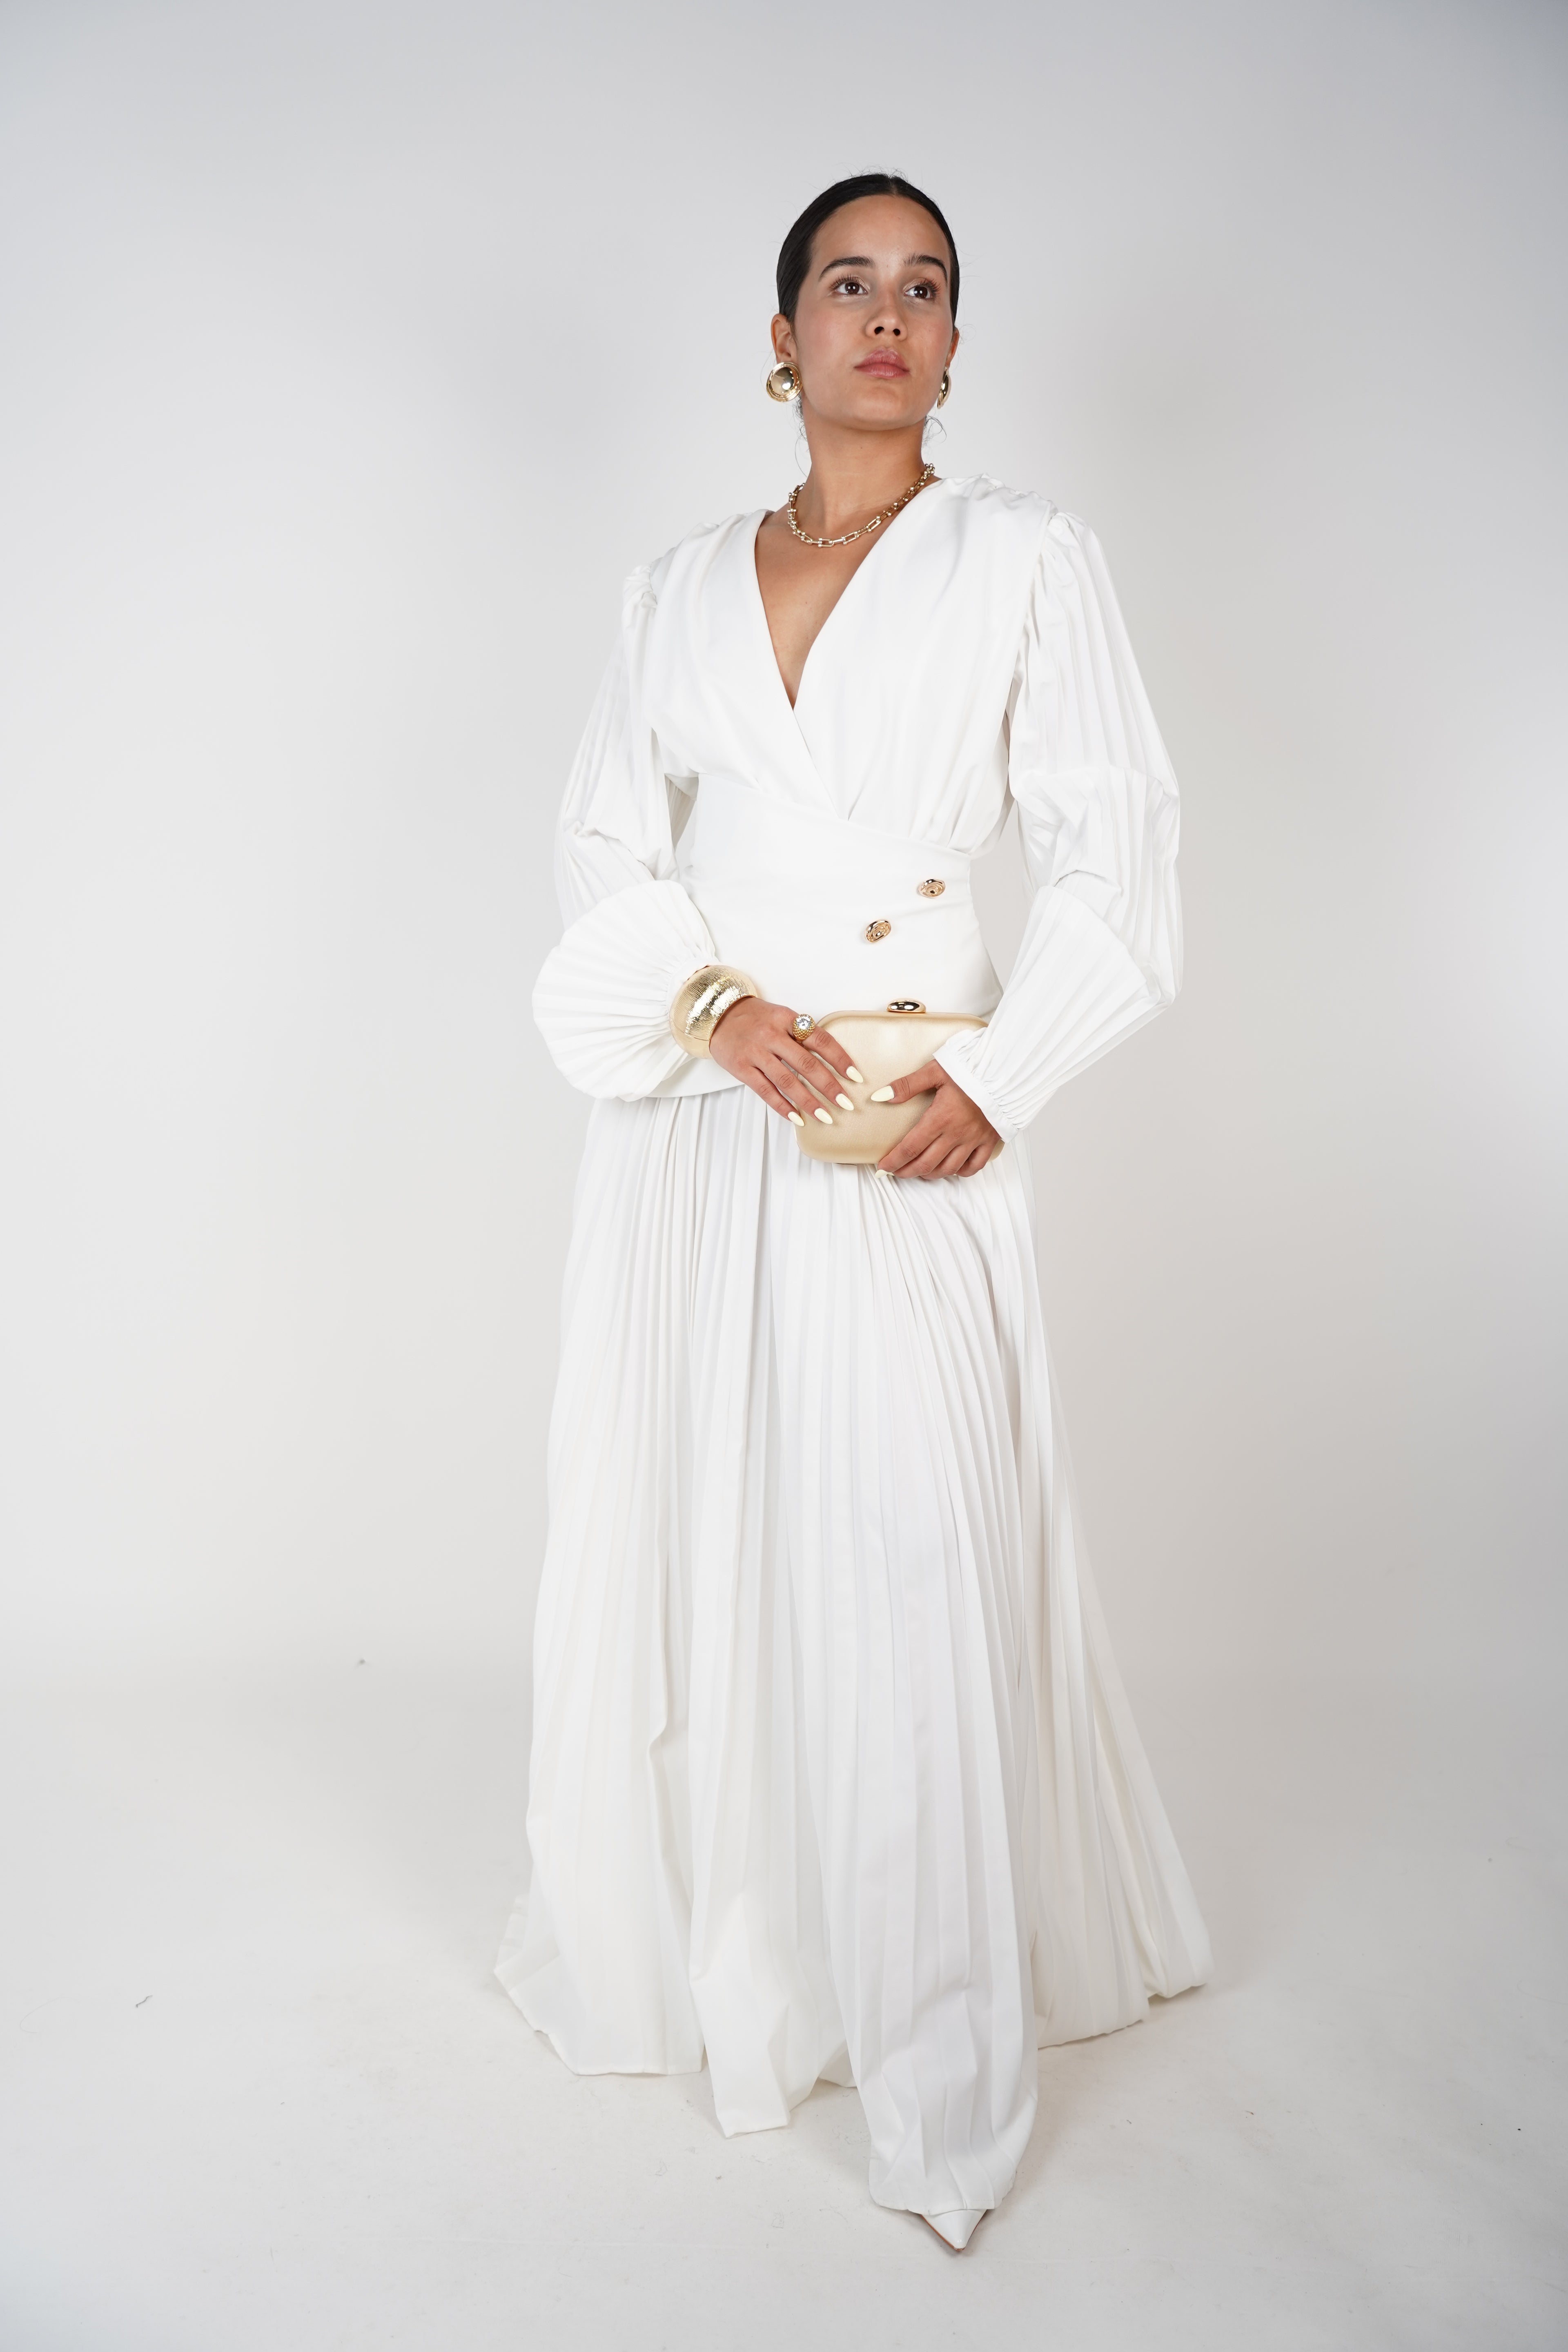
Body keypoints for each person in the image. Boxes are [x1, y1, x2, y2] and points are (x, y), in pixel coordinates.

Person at [497, 172, 1212, 2251]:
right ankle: (761, 1960)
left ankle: (945, 2097)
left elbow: (1120, 854)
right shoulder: (672, 587)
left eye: (926, 287)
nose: (887, 316)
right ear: (784, 338)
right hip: (705, 1118)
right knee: (712, 1520)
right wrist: (709, 1012)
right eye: (847, 282)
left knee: (906, 1554)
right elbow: (600, 840)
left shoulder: (1026, 559)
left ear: (957, 344)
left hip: (912, 1120)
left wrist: (1006, 1074)